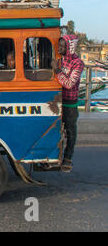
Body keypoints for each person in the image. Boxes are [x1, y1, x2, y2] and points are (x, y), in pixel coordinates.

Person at [51, 35, 84, 172]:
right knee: (56, 131)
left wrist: (57, 71)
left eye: (63, 46)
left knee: (70, 132)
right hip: (58, 99)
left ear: (70, 47)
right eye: (59, 46)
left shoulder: (78, 63)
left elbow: (69, 83)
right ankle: (55, 158)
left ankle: (68, 159)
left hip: (70, 103)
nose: (60, 48)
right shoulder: (60, 60)